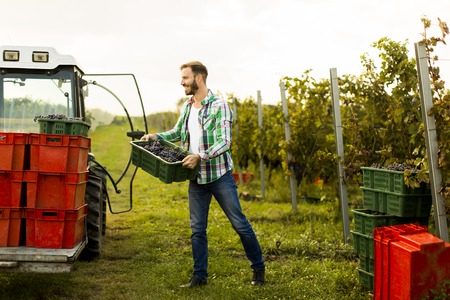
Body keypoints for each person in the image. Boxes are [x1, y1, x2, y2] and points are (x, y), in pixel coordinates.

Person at [141, 61, 265, 288]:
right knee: (197, 230)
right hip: (196, 178)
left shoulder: (220, 106)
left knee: (239, 224)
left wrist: (201, 155)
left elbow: (225, 142)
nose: (182, 82)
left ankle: (258, 269)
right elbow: (178, 132)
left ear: (198, 79)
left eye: (185, 78)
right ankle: (199, 276)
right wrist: (156, 137)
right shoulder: (188, 106)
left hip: (219, 176)